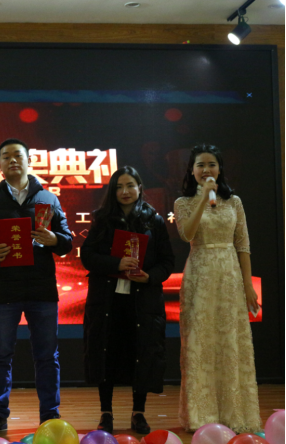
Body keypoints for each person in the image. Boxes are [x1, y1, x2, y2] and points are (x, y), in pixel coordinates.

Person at [0, 138, 73, 434]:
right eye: (6, 157)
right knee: (0, 354)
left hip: (41, 290)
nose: (12, 160)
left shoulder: (48, 199)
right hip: (4, 291)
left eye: (18, 155)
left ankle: (50, 414)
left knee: (47, 355)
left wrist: (55, 239)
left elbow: (67, 241)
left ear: (28, 161)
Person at [174, 144, 262, 433]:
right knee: (200, 344)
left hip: (229, 276)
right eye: (200, 165)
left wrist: (248, 285)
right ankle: (201, 415)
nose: (206, 170)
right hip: (199, 274)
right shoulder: (183, 202)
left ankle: (234, 413)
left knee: (230, 343)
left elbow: (243, 245)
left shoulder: (234, 202)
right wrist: (203, 198)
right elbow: (186, 233)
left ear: (219, 169)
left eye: (211, 164)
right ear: (192, 170)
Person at [80, 166, 174, 435]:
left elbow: (167, 261)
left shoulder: (154, 220)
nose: (125, 191)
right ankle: (106, 413)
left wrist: (150, 277)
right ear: (112, 191)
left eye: (130, 185)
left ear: (140, 188)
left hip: (142, 300)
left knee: (140, 353)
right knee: (106, 352)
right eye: (119, 186)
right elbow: (87, 256)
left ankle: (138, 412)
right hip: (107, 300)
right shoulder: (101, 219)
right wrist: (116, 263)